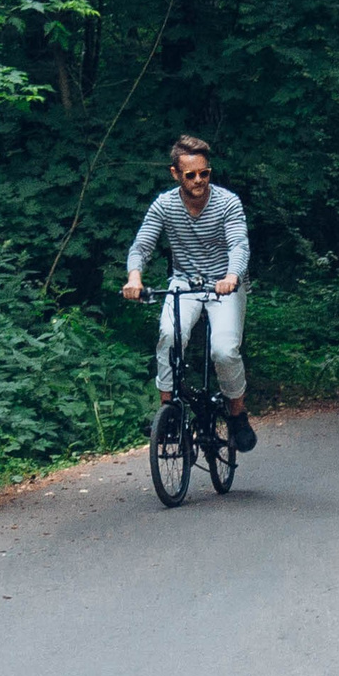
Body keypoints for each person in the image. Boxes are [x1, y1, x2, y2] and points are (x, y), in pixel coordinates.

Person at [123, 135, 257, 453]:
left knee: (224, 350)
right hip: (185, 282)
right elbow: (142, 245)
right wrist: (134, 276)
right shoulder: (165, 205)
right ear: (175, 174)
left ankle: (237, 415)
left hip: (226, 284)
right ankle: (168, 412)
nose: (199, 180)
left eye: (204, 173)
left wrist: (232, 276)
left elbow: (239, 244)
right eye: (191, 175)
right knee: (169, 335)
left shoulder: (227, 202)